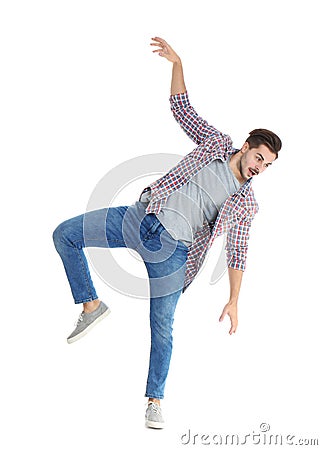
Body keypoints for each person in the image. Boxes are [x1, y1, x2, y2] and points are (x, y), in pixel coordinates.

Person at [53, 37, 282, 429]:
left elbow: (237, 253)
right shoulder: (215, 144)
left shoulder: (246, 204)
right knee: (65, 234)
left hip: (174, 253)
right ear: (245, 147)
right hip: (141, 217)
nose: (260, 167)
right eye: (259, 157)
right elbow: (182, 110)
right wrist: (178, 62)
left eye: (268, 165)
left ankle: (155, 400)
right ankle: (91, 305)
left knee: (162, 327)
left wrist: (234, 300)